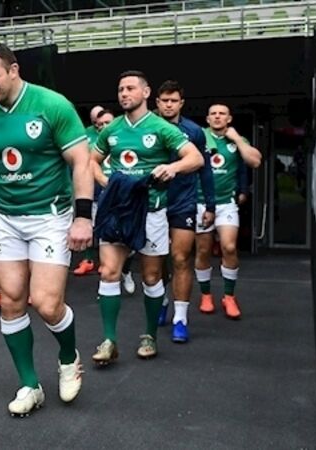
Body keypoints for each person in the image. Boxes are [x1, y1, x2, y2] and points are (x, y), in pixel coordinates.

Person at [0, 42, 93, 416]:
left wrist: (83, 216)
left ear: (14, 70)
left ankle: (68, 358)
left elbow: (81, 161)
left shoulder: (51, 105)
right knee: (11, 300)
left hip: (50, 217)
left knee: (47, 304)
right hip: (6, 220)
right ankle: (29, 385)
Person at [89, 70, 203, 364]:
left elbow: (195, 158)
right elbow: (92, 160)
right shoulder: (111, 128)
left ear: (146, 92)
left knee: (152, 276)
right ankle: (109, 340)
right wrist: (103, 181)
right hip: (118, 211)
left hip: (152, 210)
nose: (124, 94)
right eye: (120, 89)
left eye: (130, 88)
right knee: (108, 272)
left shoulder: (161, 127)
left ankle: (150, 335)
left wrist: (172, 168)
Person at [153, 80, 216, 343]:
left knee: (180, 258)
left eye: (173, 101)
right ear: (157, 103)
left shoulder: (194, 131)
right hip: (154, 202)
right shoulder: (147, 127)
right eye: (164, 101)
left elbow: (205, 168)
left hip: (184, 202)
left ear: (181, 103)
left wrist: (210, 205)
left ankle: (181, 319)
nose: (169, 105)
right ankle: (162, 300)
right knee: (156, 261)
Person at [194, 103, 262, 319]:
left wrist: (237, 139)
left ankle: (229, 296)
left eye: (222, 114)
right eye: (213, 114)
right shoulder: (199, 137)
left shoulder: (237, 140)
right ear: (207, 119)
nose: (217, 117)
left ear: (229, 119)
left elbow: (254, 162)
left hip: (226, 203)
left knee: (229, 247)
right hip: (201, 202)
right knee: (203, 250)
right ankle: (206, 295)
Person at [73, 106, 114, 275]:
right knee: (93, 227)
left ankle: (119, 266)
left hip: (117, 191)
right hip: (95, 191)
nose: (103, 126)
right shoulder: (87, 136)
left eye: (107, 123)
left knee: (116, 230)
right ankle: (89, 260)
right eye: (99, 123)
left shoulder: (121, 134)